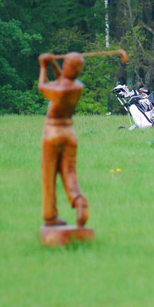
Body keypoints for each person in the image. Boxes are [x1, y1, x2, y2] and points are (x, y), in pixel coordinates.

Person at [38, 52, 89, 227]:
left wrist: (43, 66)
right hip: (69, 133)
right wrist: (53, 64)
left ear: (69, 67)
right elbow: (62, 80)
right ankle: (79, 201)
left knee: (49, 174)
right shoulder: (77, 86)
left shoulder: (60, 89)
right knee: (69, 173)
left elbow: (42, 86)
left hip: (53, 131)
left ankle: (50, 216)